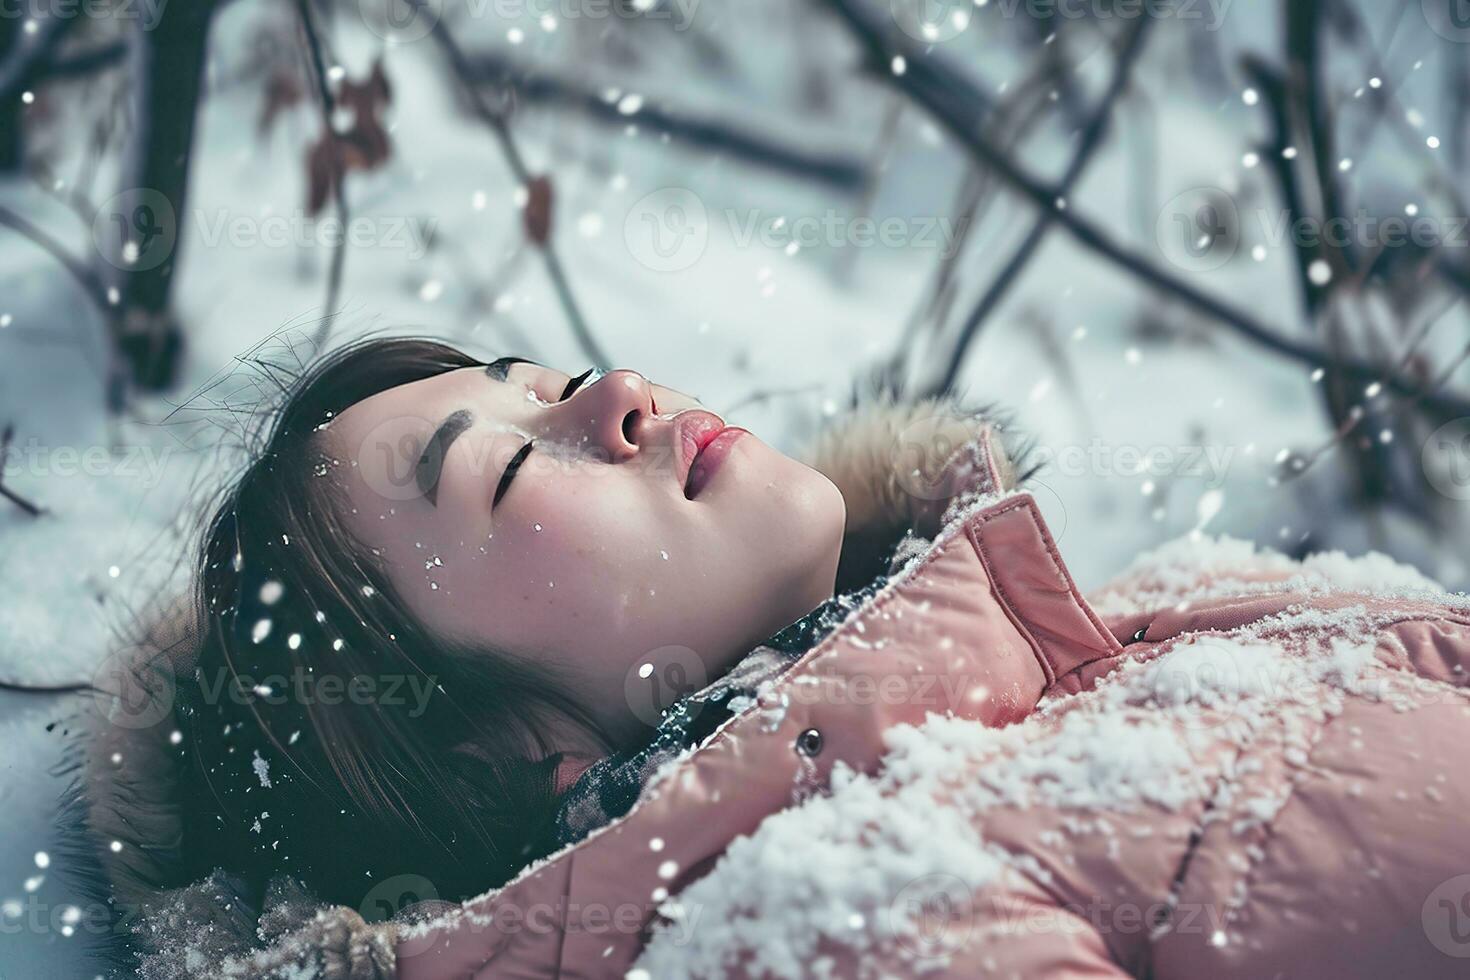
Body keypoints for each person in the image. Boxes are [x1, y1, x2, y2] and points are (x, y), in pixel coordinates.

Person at [66, 338, 1470, 980]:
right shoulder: (845, 921)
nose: (613, 391)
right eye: (503, 471)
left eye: (544, 382)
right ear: (503, 751)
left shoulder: (1134, 609)